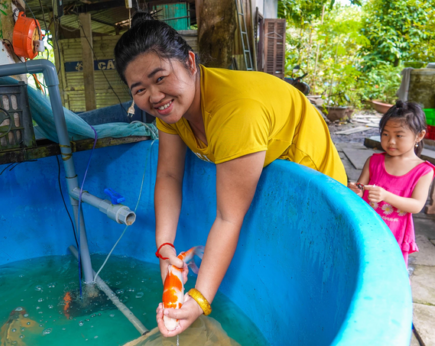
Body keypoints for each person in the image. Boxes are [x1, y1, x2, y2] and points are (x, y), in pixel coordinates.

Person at [114, 12, 347, 337]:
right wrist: (164, 246)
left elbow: (228, 218)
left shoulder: (236, 112)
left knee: (318, 266)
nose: (153, 96)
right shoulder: (171, 112)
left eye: (160, 78)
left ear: (191, 63)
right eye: (139, 89)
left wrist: (199, 299)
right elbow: (168, 175)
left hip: (305, 160)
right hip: (255, 148)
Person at [348, 101, 434, 267]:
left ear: (419, 136)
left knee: (388, 271)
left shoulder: (423, 171)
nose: (391, 141)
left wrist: (387, 196)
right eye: (385, 134)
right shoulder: (374, 161)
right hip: (366, 228)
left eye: (399, 135)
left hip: (395, 235)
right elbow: (360, 191)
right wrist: (356, 191)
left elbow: (416, 205)